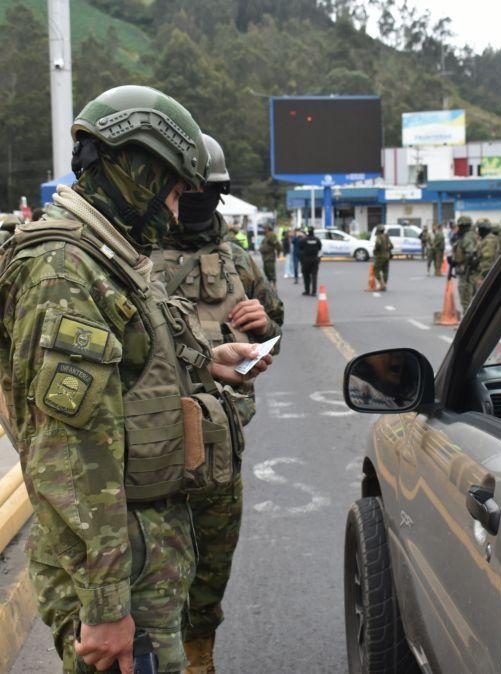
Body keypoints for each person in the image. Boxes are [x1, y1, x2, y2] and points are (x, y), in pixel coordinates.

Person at [0, 85, 272, 674]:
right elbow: (69, 451)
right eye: (172, 190)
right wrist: (106, 605)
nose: (176, 210)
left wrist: (208, 362)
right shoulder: (63, 269)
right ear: (134, 168)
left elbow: (133, 360)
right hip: (121, 574)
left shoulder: (108, 257)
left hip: (143, 554)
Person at [156, 133, 284, 674]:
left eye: (203, 192)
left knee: (211, 563)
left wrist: (264, 327)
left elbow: (274, 333)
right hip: (152, 440)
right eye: (183, 191)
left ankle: (198, 657)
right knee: (153, 567)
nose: (192, 202)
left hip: (222, 442)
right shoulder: (132, 255)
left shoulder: (239, 260)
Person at [451, 216, 478, 312]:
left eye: (460, 226)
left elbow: (469, 253)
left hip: (466, 273)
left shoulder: (467, 237)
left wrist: (464, 266)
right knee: (471, 298)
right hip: (470, 272)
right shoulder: (471, 235)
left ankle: (467, 323)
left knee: (466, 299)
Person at [474, 219, 501, 291]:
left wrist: (482, 277)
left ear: (483, 230)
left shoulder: (489, 240)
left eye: (479, 229)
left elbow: (487, 260)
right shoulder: (486, 239)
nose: (478, 231)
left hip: (487, 274)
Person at [299, 226, 322, 295]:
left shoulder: (304, 240)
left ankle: (307, 290)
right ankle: (314, 291)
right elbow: (319, 247)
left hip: (306, 260)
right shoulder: (317, 240)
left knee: (306, 276)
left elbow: (300, 248)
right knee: (314, 276)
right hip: (314, 259)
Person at [373, 225, 393, 291]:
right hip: (387, 256)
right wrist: (387, 249)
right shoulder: (386, 236)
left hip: (380, 256)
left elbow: (378, 244)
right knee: (385, 271)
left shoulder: (379, 237)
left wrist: (375, 250)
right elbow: (391, 246)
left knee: (376, 270)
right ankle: (385, 285)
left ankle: (382, 285)